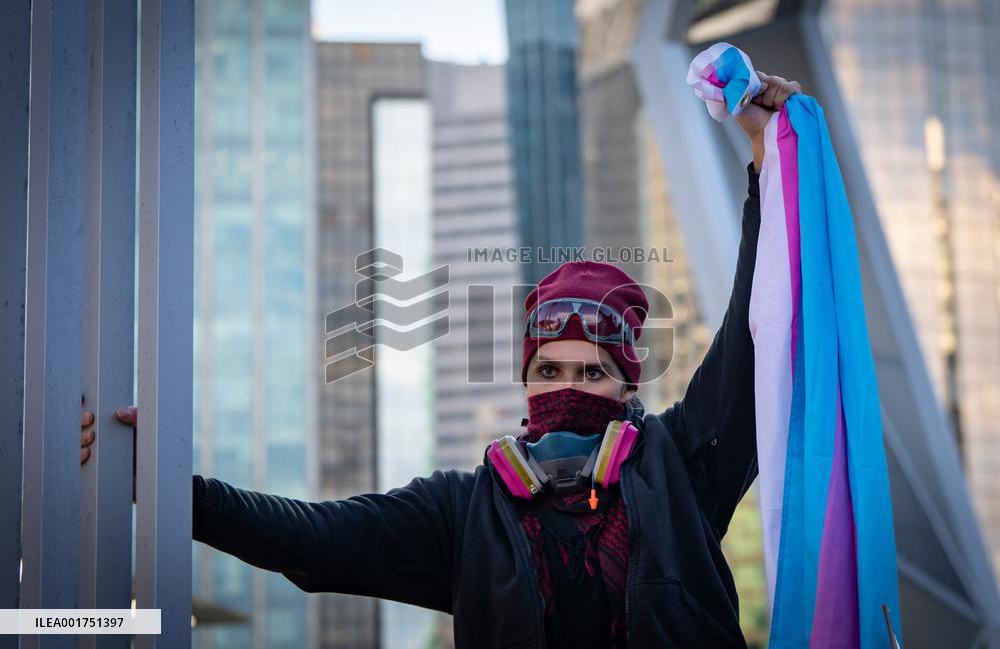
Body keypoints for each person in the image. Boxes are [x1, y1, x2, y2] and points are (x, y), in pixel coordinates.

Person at [82, 72, 803, 647]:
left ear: (628, 390)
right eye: (550, 371)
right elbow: (309, 539)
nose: (569, 389)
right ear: (525, 382)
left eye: (592, 373)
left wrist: (769, 166)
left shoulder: (683, 469)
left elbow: (754, 336)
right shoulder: (463, 515)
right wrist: (173, 485)